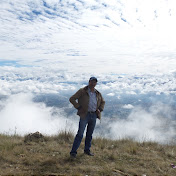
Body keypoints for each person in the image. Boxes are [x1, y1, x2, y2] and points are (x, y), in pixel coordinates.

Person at [69, 77, 105, 158]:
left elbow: (103, 102)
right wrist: (79, 107)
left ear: (96, 83)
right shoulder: (82, 91)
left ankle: (87, 150)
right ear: (89, 82)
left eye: (95, 82)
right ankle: (73, 152)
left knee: (89, 134)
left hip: (94, 115)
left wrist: (99, 109)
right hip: (85, 115)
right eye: (92, 82)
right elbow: (72, 99)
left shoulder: (97, 93)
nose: (93, 83)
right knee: (80, 134)